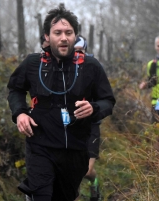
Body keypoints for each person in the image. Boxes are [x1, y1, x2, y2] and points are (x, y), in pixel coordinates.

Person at [7, 5, 116, 201]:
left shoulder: (90, 66)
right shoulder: (33, 64)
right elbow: (15, 89)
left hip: (75, 149)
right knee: (42, 195)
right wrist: (20, 113)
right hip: (40, 144)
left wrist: (94, 108)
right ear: (47, 36)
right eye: (57, 32)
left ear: (75, 36)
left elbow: (108, 100)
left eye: (68, 32)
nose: (64, 37)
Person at [74, 35, 101, 201]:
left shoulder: (94, 68)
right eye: (74, 51)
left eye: (80, 51)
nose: (77, 54)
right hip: (72, 127)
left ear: (85, 51)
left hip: (91, 126)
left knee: (87, 171)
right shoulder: (63, 69)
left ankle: (95, 185)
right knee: (71, 173)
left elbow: (104, 97)